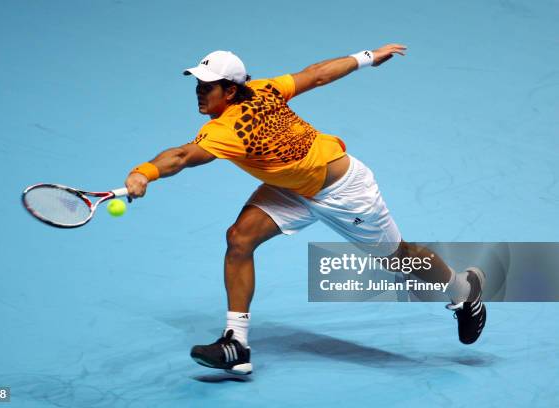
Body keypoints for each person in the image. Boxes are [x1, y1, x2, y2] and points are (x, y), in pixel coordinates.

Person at [124, 45, 486, 375]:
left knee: (399, 258)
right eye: (198, 85)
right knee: (239, 239)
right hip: (293, 188)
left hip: (345, 192)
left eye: (208, 86)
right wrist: (368, 57)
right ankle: (236, 343)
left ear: (231, 90)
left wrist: (146, 172)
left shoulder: (228, 128)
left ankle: (462, 289)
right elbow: (316, 74)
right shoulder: (264, 89)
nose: (200, 93)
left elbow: (183, 155)